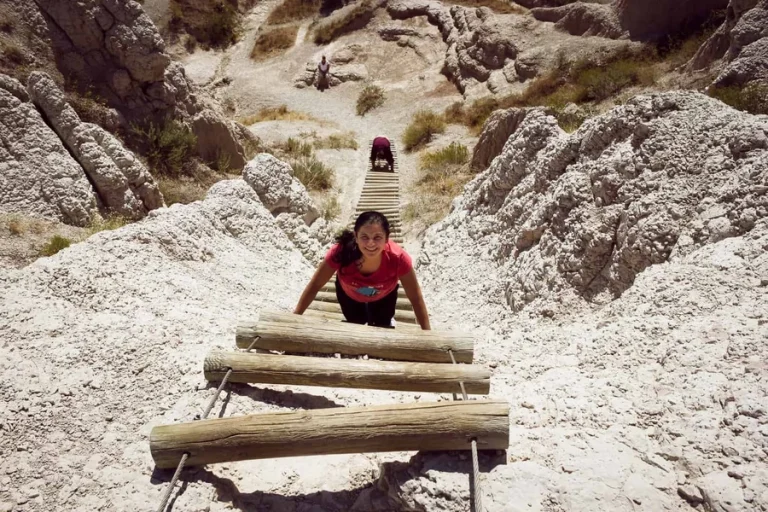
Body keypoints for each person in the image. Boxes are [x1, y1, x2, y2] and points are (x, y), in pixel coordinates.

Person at [294, 211, 431, 330]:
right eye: (364, 237)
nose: (371, 243)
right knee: (355, 323)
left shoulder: (398, 258)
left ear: (387, 239)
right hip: (349, 295)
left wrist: (427, 335)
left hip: (384, 296)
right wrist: (295, 319)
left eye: (377, 237)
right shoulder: (340, 252)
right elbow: (315, 285)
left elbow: (415, 297)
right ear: (356, 236)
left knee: (381, 326)